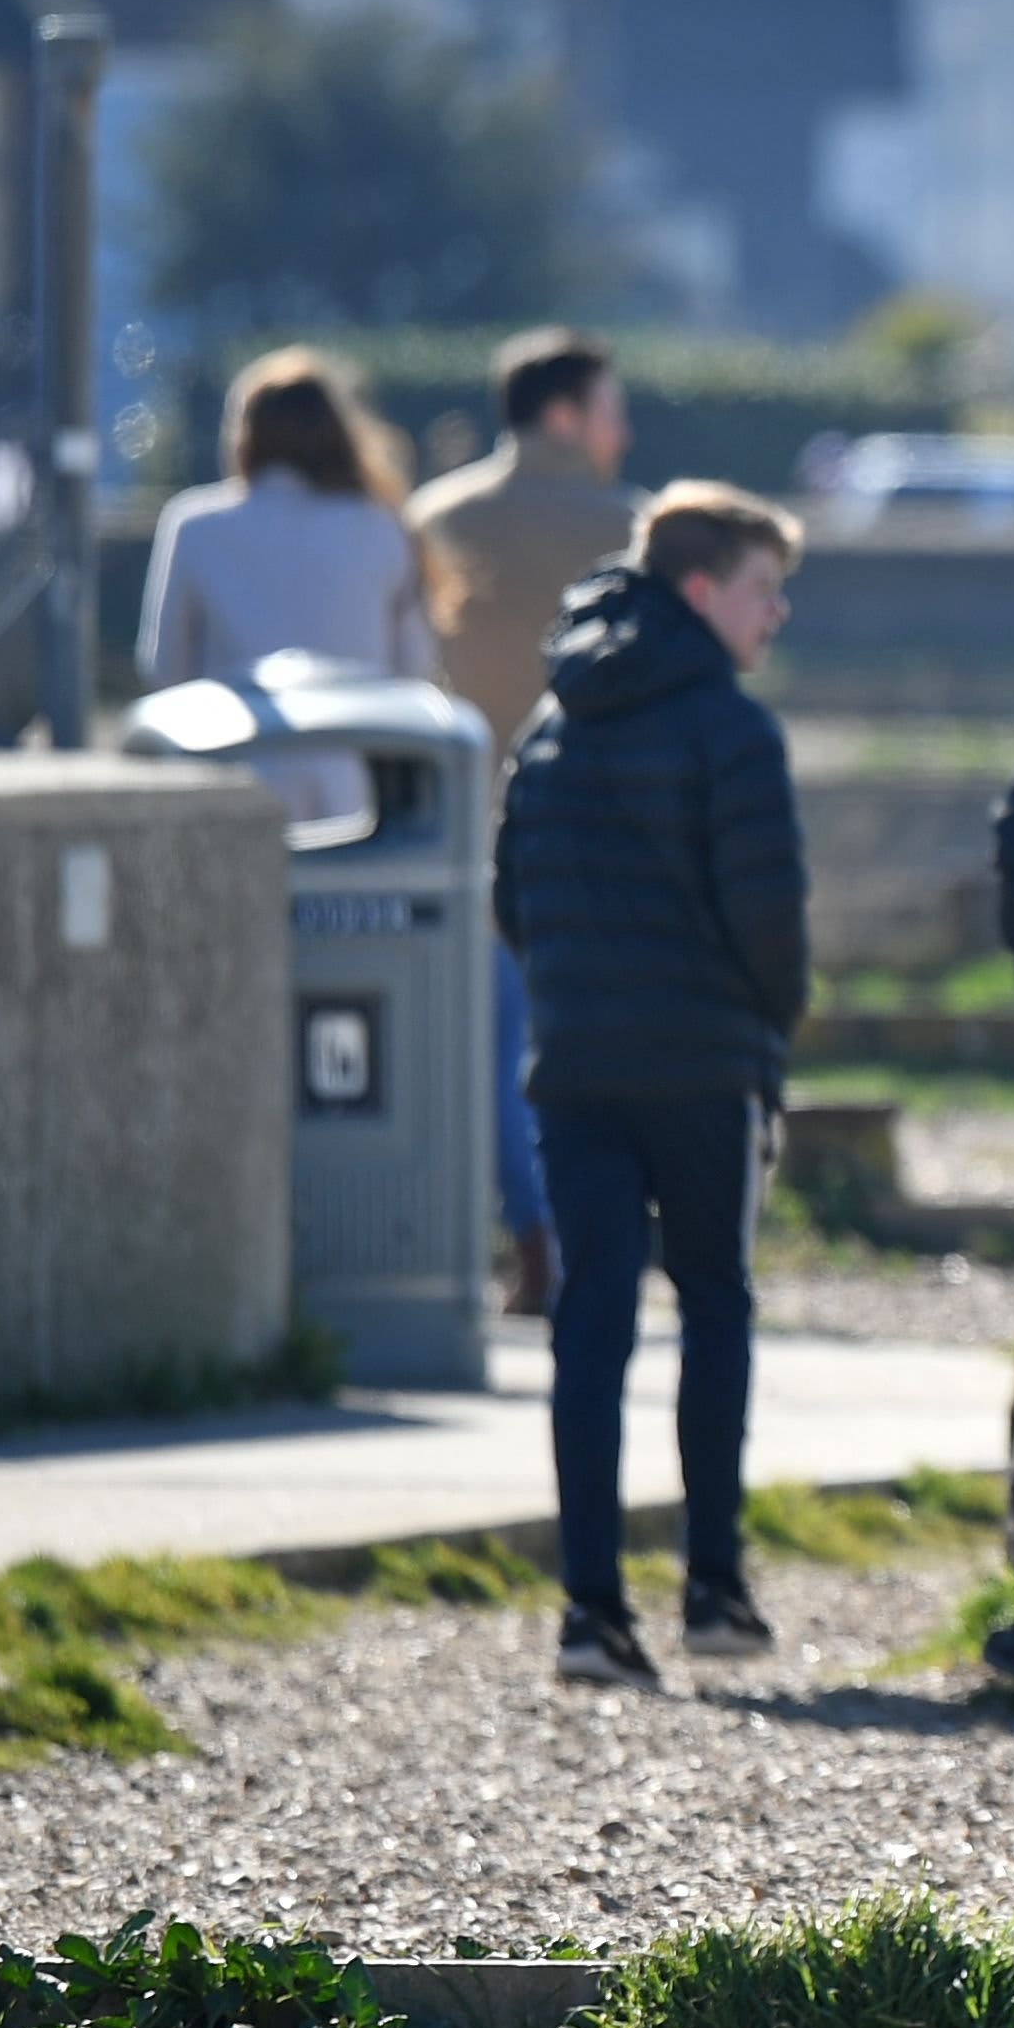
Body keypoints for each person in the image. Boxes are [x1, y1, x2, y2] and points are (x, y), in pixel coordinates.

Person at [491, 485, 813, 1694]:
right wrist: (765, 1030)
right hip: (704, 1063)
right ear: (699, 590)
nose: (775, 612)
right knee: (715, 1307)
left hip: (575, 1065)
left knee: (592, 1326)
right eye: (761, 586)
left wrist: (577, 991)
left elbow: (510, 897)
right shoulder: (732, 731)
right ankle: (715, 1590)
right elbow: (770, 923)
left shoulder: (551, 723)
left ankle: (590, 1612)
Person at [410, 330, 642, 1322]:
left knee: (499, 1045)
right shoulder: (633, 529)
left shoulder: (435, 520)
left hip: (473, 822)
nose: (621, 429)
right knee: (600, 1041)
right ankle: (603, 1232)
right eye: (608, 408)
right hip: (608, 827)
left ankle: (531, 1233)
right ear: (562, 415)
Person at [139, 353, 443, 829]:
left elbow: (164, 668)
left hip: (230, 776)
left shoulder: (194, 525)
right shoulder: (384, 526)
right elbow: (415, 669)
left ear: (243, 434)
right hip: (354, 787)